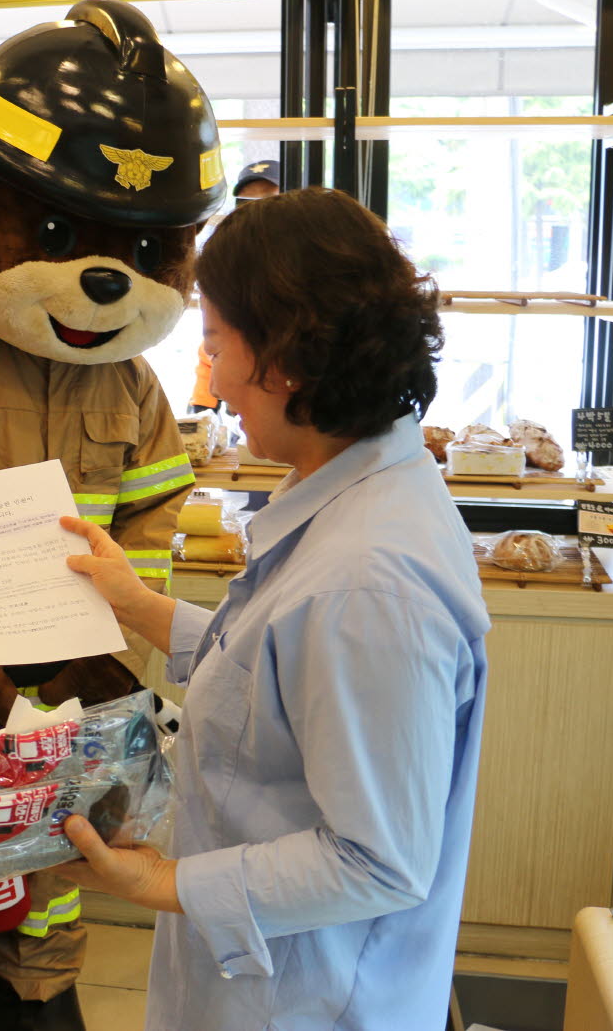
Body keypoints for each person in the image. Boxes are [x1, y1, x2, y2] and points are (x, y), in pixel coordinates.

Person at [57, 187, 490, 1030]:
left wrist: (162, 881)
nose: (212, 378)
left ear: (287, 355)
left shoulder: (367, 584)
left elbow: (378, 861)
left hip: (304, 1001)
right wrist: (139, 605)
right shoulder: (358, 486)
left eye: (216, 342)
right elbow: (277, 676)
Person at [188, 160, 283, 413]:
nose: (257, 210)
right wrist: (203, 406)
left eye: (269, 200)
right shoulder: (228, 262)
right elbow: (212, 344)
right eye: (246, 202)